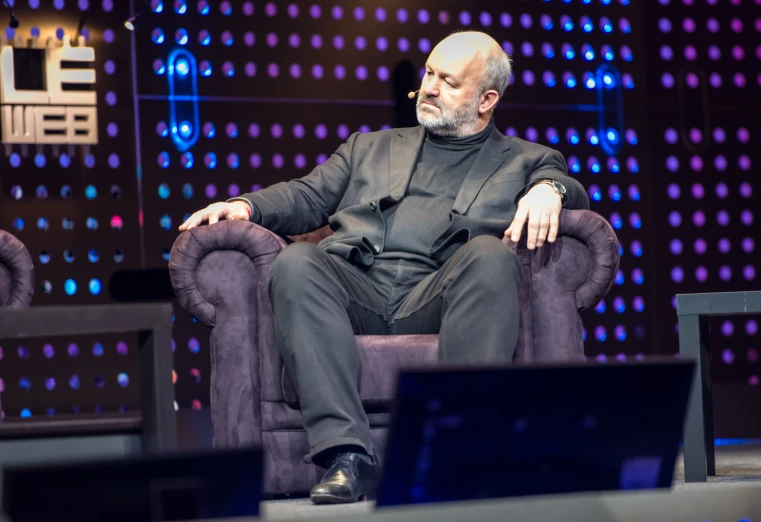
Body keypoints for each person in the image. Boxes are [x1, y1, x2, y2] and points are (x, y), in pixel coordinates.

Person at [179, 31, 589, 504]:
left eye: (449, 82)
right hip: (359, 288)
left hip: (440, 294)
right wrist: (245, 205)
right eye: (430, 74)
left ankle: (453, 452)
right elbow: (308, 195)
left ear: (486, 100)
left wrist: (548, 190)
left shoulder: (526, 159)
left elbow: (566, 183)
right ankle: (345, 456)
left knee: (491, 256)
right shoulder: (369, 147)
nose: (430, 88)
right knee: (296, 262)